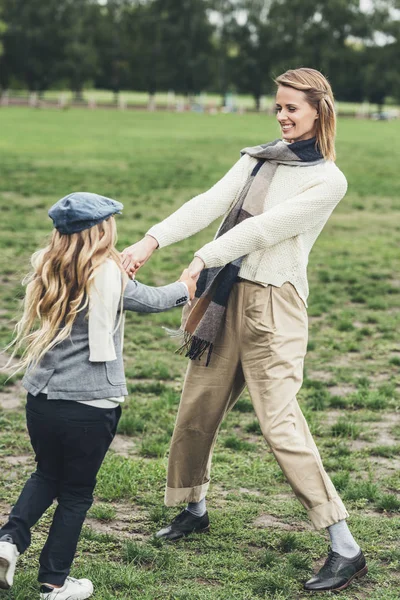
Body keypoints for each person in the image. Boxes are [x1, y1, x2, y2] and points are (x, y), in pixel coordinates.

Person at [121, 68, 368, 593]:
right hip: (226, 297)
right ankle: (194, 507)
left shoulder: (329, 179)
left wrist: (201, 258)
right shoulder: (257, 158)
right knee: (196, 409)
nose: (281, 116)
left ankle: (345, 545)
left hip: (274, 305)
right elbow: (210, 202)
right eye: (277, 106)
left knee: (279, 423)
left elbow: (264, 228)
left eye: (292, 108)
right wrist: (150, 242)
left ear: (320, 110)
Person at [0, 192, 196, 600]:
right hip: (89, 404)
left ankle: (8, 542)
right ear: (104, 230)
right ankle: (54, 584)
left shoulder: (48, 267)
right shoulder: (107, 273)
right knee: (75, 494)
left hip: (41, 398)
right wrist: (186, 286)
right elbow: (153, 300)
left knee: (46, 474)